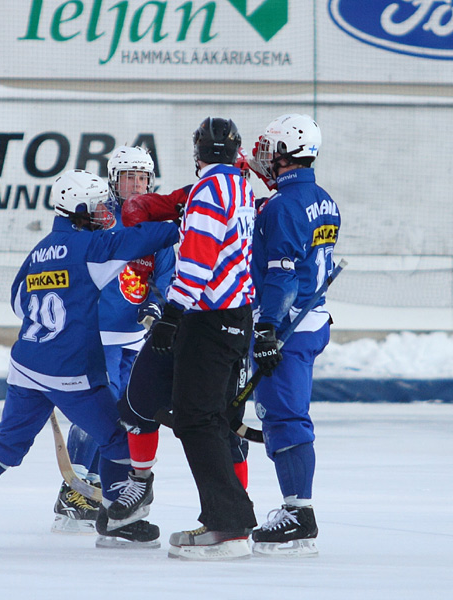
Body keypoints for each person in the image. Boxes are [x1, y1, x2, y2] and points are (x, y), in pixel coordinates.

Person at [0, 169, 179, 549]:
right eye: (96, 206)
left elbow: (18, 302)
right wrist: (193, 215)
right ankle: (116, 521)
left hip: (27, 366)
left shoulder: (39, 250)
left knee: (7, 445)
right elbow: (145, 237)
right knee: (116, 438)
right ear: (79, 209)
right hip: (68, 372)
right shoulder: (90, 248)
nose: (102, 212)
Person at [147, 117, 257, 560]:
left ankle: (227, 527)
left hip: (209, 319)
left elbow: (196, 257)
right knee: (209, 418)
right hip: (236, 316)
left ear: (198, 154)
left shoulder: (209, 191)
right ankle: (230, 520)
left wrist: (171, 315)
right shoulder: (241, 187)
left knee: (196, 420)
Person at [51, 147, 176, 534]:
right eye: (128, 177)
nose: (136, 184)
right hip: (98, 334)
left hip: (134, 338)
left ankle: (100, 487)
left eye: (143, 178)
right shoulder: (99, 221)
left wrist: (159, 306)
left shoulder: (155, 223)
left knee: (124, 414)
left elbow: (168, 276)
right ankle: (73, 491)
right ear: (113, 180)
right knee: (98, 410)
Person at [247, 114, 340, 557]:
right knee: (281, 413)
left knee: (285, 415)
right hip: (311, 322)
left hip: (287, 328)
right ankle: (294, 507)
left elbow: (282, 275)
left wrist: (266, 328)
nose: (264, 157)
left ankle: (299, 514)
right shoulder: (322, 199)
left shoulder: (281, 206)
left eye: (270, 149)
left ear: (284, 153)